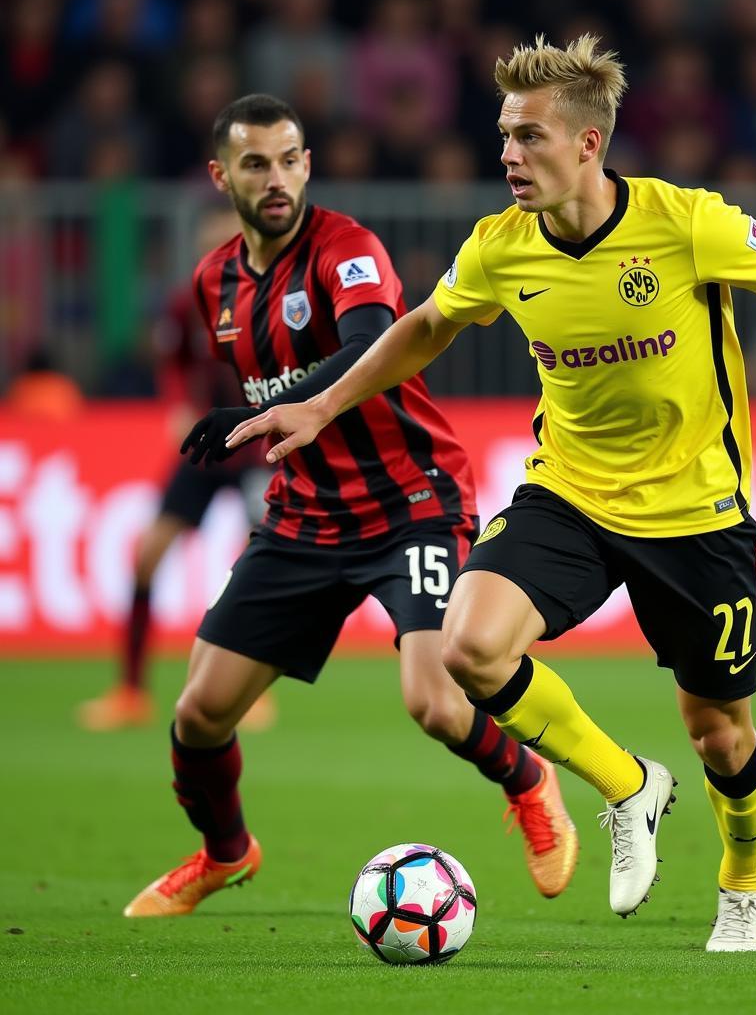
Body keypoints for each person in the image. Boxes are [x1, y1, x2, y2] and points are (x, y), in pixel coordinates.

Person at [226, 38, 756, 952]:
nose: (507, 156)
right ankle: (624, 786)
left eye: (528, 137)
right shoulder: (500, 245)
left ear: (588, 145)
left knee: (723, 738)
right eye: (502, 136)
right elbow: (424, 327)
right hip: (568, 492)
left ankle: (745, 877)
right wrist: (323, 403)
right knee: (470, 648)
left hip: (696, 511)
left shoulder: (688, 223)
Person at [123, 94, 578, 918]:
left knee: (435, 702)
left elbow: (373, 340)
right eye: (256, 163)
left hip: (411, 500)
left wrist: (263, 413)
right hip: (305, 516)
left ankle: (529, 777)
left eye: (290, 158)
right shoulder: (213, 280)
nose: (276, 178)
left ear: (308, 164)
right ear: (221, 175)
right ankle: (226, 853)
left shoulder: (347, 249)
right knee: (199, 713)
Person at [77, 207, 276, 733]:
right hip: (207, 447)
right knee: (147, 555)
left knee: (257, 566)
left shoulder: (276, 301)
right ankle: (130, 690)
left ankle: (248, 692)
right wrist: (178, 408)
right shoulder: (187, 301)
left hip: (256, 447)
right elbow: (176, 364)